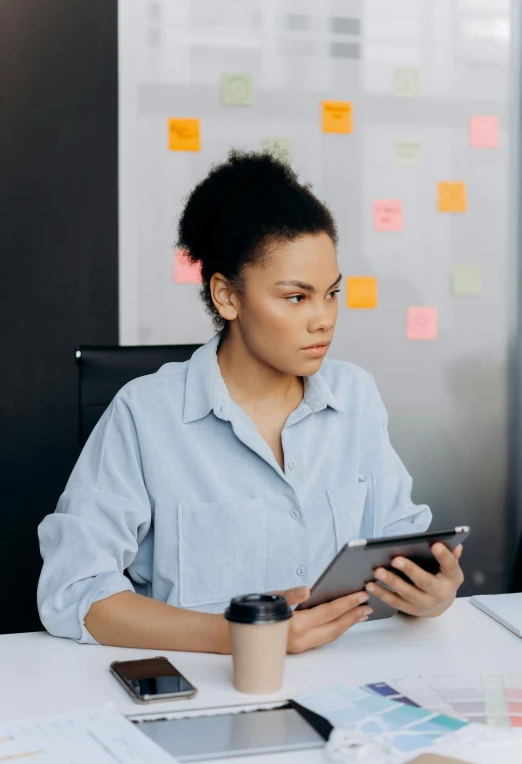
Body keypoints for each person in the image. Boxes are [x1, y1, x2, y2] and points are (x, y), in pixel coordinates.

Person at [37, 151, 464, 654]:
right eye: (296, 297)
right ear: (227, 297)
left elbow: (400, 541)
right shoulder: (145, 414)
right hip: (203, 691)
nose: (324, 318)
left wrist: (432, 592)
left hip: (346, 685)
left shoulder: (355, 396)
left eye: (331, 293)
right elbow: (75, 592)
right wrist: (244, 636)